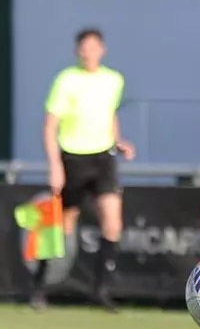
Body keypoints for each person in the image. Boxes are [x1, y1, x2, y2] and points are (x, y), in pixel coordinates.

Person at [37, 28, 134, 311]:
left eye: (93, 48)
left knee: (112, 223)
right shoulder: (66, 80)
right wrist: (55, 166)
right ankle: (39, 285)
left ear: (102, 50)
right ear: (77, 51)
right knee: (62, 224)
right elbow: (50, 126)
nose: (88, 53)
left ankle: (101, 291)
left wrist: (119, 140)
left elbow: (109, 113)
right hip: (73, 158)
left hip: (103, 158)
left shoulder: (113, 80)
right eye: (84, 48)